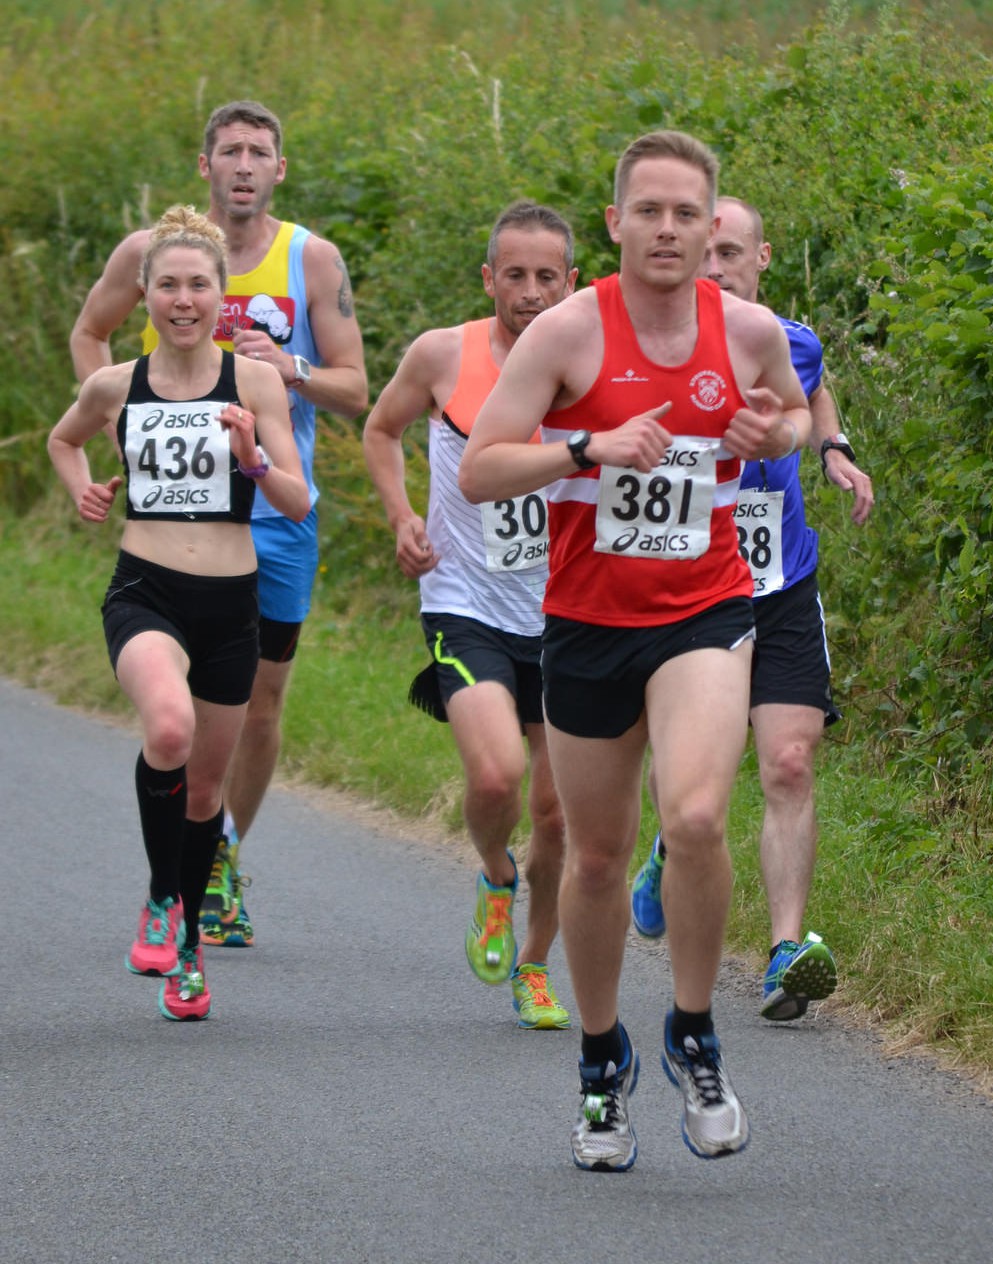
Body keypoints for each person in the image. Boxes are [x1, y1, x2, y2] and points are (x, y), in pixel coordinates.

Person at [459, 132, 811, 1171]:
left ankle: (694, 1031)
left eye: (686, 213)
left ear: (714, 228)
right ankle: (602, 1059)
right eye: (647, 211)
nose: (667, 229)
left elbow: (791, 414)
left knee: (697, 815)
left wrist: (772, 438)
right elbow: (481, 468)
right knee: (600, 855)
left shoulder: (747, 330)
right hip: (586, 622)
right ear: (615, 224)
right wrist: (584, 446)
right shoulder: (567, 333)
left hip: (703, 608)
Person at [70, 100, 368, 948]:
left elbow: (356, 388)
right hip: (170, 514)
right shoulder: (154, 255)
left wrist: (291, 367)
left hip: (272, 503)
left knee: (260, 699)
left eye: (259, 153)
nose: (244, 165)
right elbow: (90, 337)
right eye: (229, 151)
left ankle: (220, 852)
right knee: (177, 715)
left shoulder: (312, 259)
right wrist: (127, 435)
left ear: (279, 169)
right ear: (204, 166)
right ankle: (189, 871)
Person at [48, 205, 310, 1020]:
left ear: (221, 296)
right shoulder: (115, 384)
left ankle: (189, 948)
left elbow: (297, 500)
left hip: (232, 604)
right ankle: (164, 897)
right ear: (147, 293)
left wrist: (253, 459)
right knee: (167, 729)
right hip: (145, 590)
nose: (184, 299)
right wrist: (84, 488)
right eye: (168, 284)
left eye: (199, 284)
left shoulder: (256, 381)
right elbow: (65, 439)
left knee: (204, 795)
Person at [630, 196, 874, 1021]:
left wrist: (832, 449)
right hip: (695, 592)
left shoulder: (786, 341)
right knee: (692, 770)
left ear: (761, 258)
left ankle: (783, 953)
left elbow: (815, 383)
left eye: (731, 253)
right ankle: (668, 846)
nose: (715, 268)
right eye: (707, 253)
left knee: (789, 762)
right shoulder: (660, 350)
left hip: (781, 588)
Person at [363, 201, 578, 1029]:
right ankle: (495, 871)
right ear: (488, 278)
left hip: (566, 614)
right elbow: (381, 431)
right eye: (513, 276)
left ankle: (533, 964)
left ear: (572, 280)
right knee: (496, 776)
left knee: (558, 814)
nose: (529, 293)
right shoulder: (441, 354)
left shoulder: (592, 364)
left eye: (545, 277)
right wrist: (399, 518)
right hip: (464, 602)